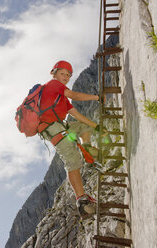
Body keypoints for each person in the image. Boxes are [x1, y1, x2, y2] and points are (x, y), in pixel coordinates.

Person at [38, 60, 103, 219]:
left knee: (83, 127)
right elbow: (73, 94)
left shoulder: (61, 98)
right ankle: (81, 200)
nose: (66, 77)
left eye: (68, 75)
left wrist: (96, 127)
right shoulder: (52, 85)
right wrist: (96, 97)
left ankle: (87, 150)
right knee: (72, 159)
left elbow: (77, 115)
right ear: (54, 73)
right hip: (52, 128)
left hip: (61, 125)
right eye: (63, 73)